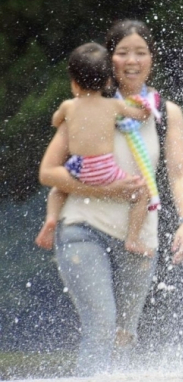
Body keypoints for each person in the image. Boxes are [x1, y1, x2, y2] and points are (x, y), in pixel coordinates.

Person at [38, 20, 183, 375]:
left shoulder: (165, 113)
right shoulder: (88, 105)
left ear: (152, 58)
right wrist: (103, 190)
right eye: (123, 52)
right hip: (83, 228)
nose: (132, 61)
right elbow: (50, 171)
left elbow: (179, 172)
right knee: (101, 325)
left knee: (125, 334)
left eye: (140, 52)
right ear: (110, 59)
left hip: (139, 238)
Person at [35, 43, 155, 256]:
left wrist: (64, 118)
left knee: (58, 189)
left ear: (74, 84)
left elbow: (55, 121)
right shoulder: (113, 106)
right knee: (143, 191)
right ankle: (133, 238)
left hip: (79, 168)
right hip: (105, 169)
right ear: (108, 81)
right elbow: (140, 115)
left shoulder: (69, 106)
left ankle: (51, 219)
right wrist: (146, 107)